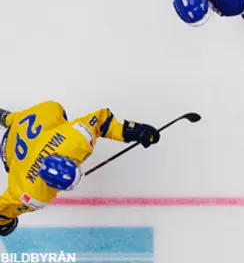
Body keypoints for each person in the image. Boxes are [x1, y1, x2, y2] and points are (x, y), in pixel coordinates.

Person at [0, 101, 160, 236]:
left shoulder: (76, 141)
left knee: (49, 112)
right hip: (13, 147)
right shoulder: (32, 193)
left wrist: (134, 130)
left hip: (37, 124)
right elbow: (6, 207)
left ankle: (10, 119)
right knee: (44, 113)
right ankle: (9, 119)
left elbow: (101, 121)